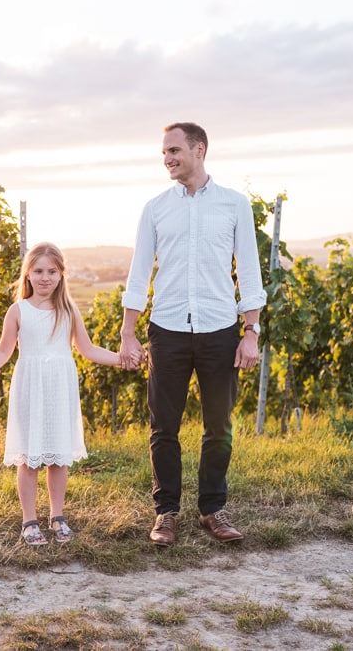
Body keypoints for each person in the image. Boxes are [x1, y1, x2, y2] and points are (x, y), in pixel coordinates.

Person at [119, 122, 266, 547]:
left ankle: (212, 510)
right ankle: (165, 512)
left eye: (174, 150)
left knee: (218, 426)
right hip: (167, 330)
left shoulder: (235, 205)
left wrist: (251, 331)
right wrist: (129, 334)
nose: (167, 158)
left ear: (199, 150)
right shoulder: (156, 208)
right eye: (164, 152)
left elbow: (250, 273)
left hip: (220, 330)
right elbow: (138, 273)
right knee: (163, 426)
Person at [0, 242, 122, 546]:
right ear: (27, 274)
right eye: (39, 271)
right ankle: (29, 520)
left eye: (52, 271)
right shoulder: (18, 311)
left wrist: (122, 358)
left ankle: (57, 516)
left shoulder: (68, 310)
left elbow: (89, 349)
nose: (45, 277)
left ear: (61, 274)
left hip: (59, 388)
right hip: (30, 387)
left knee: (58, 456)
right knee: (29, 457)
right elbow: (3, 351)